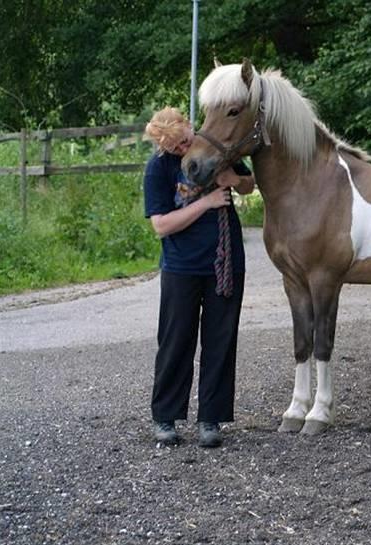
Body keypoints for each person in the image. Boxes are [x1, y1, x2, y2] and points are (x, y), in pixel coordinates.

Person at [143, 106, 254, 448]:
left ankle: (211, 419)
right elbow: (161, 226)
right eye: (174, 147)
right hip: (181, 267)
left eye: (184, 141)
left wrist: (232, 181)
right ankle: (165, 416)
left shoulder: (213, 150)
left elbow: (249, 184)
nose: (182, 149)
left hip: (225, 261)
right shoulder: (158, 169)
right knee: (176, 341)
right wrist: (206, 204)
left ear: (189, 127)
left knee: (220, 342)